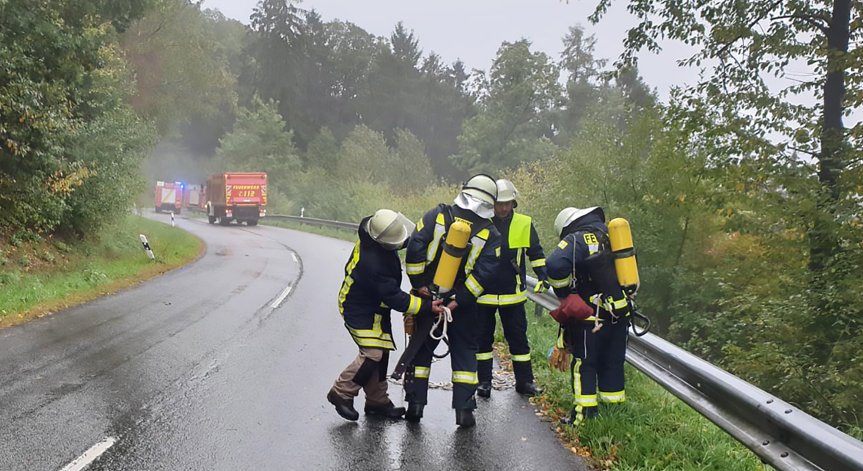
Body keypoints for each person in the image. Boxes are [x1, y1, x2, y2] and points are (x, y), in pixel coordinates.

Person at [402, 174, 502, 428]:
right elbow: (484, 275)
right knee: (465, 352)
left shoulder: (437, 215)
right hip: (462, 307)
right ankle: (464, 410)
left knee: (421, 349)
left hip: (428, 298)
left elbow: (415, 247)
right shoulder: (491, 234)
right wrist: (458, 301)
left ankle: (415, 405)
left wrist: (420, 286)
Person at [327, 209, 444, 421]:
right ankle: (341, 392)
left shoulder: (373, 232)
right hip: (358, 308)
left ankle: (377, 402)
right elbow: (394, 297)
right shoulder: (373, 263)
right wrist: (427, 306)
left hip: (375, 307)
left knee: (382, 353)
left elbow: (401, 240)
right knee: (373, 354)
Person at [545, 207, 631, 425]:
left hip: (591, 317)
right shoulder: (612, 234)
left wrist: (564, 292)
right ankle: (613, 416)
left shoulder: (577, 238)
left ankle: (583, 417)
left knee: (585, 365)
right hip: (619, 313)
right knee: (612, 363)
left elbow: (554, 265)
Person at [475, 179, 547, 398]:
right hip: (483, 293)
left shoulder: (524, 223)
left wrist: (543, 276)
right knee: (482, 340)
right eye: (499, 204)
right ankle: (484, 382)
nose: (503, 208)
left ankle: (525, 382)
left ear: (513, 203)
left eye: (507, 203)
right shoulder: (480, 222)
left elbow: (536, 252)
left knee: (518, 341)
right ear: (492, 204)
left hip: (513, 294)